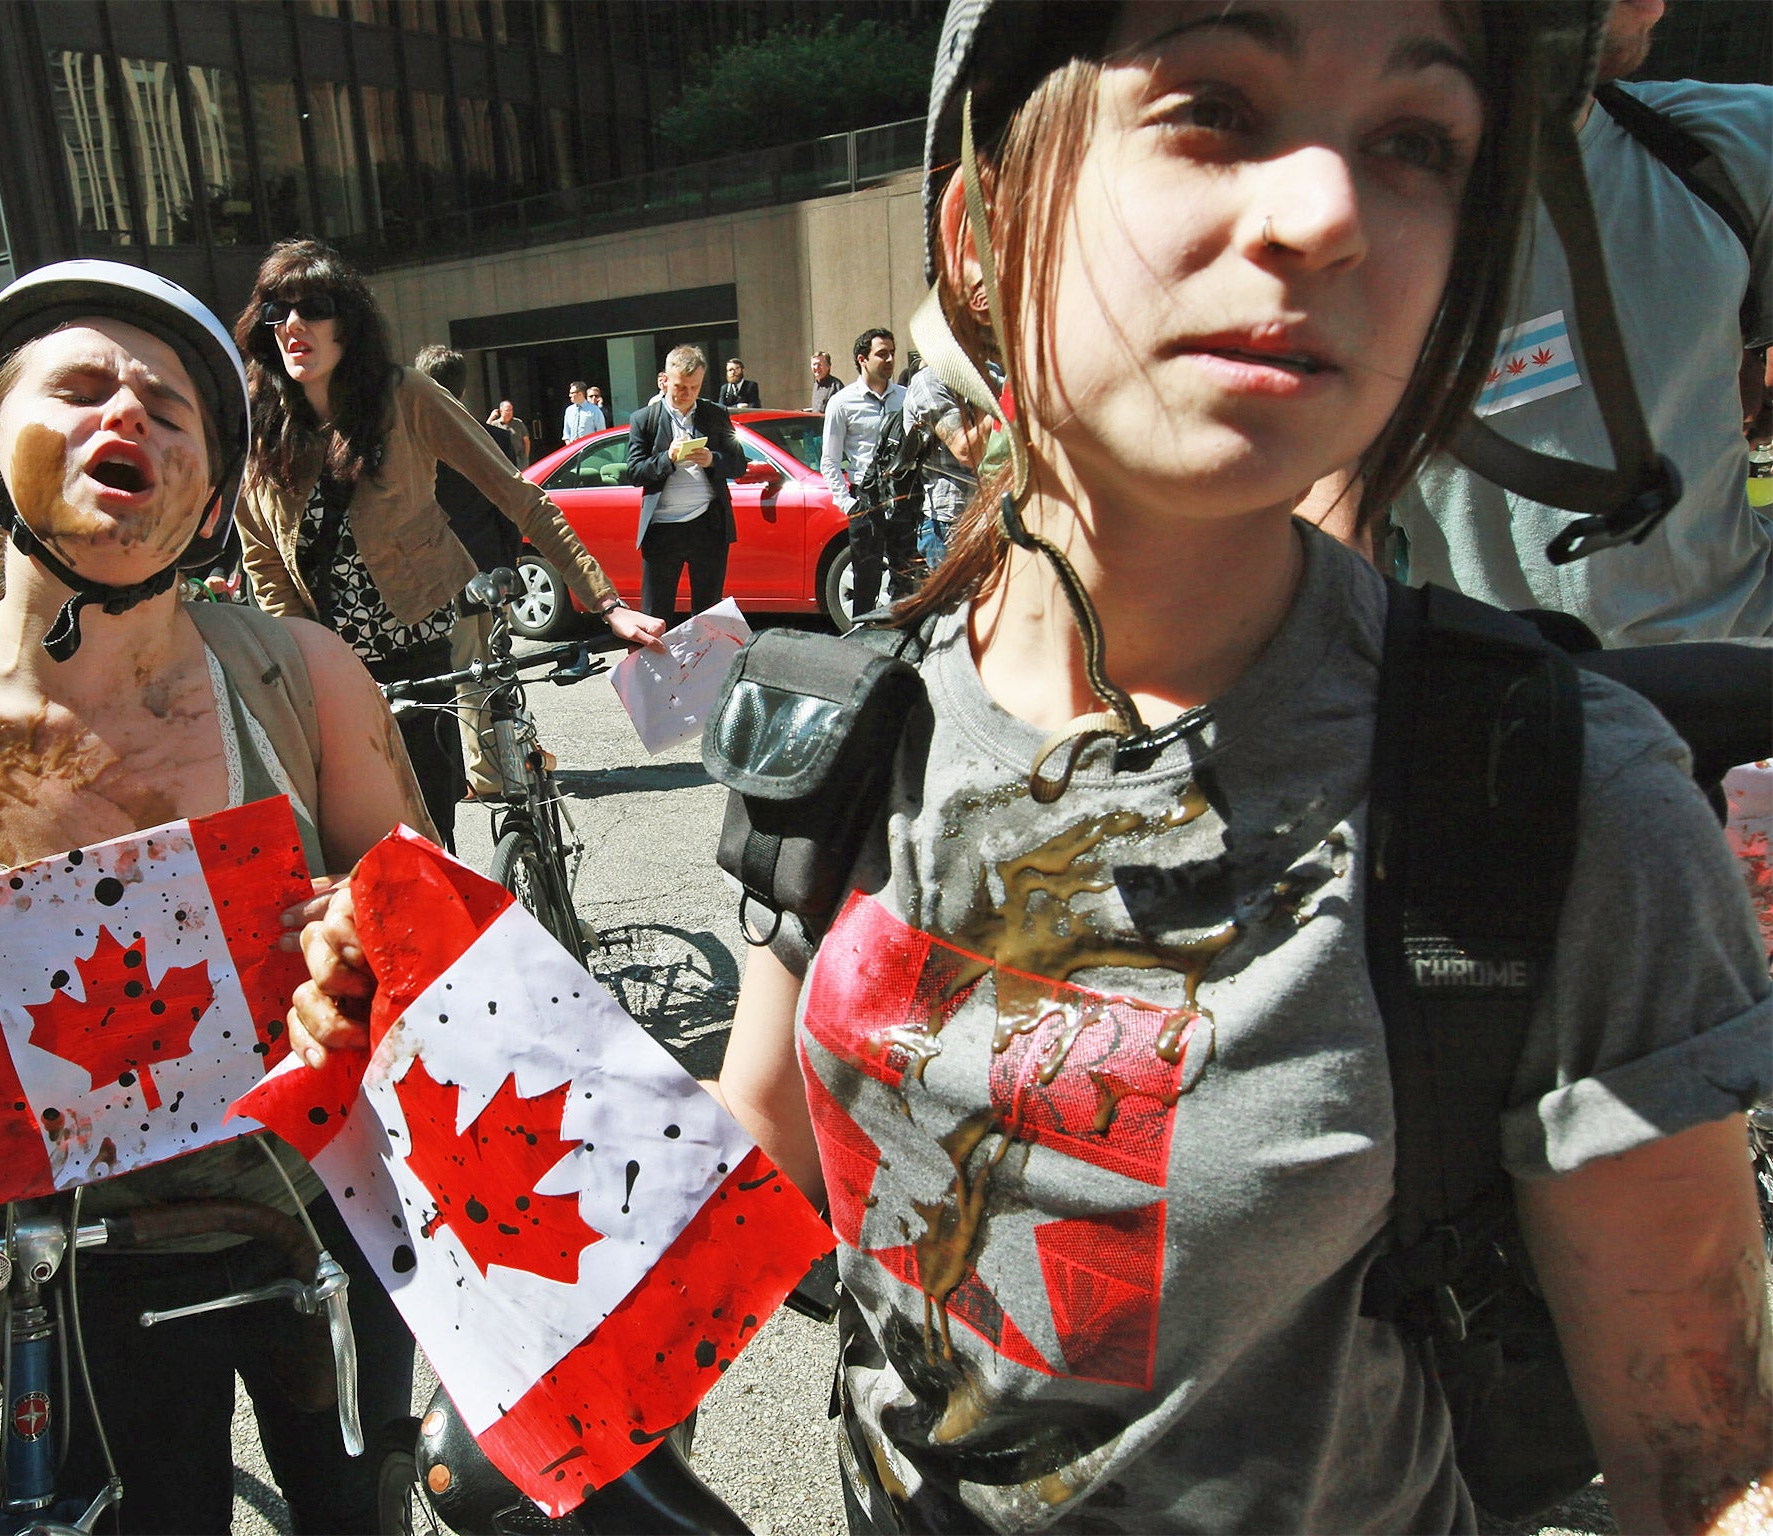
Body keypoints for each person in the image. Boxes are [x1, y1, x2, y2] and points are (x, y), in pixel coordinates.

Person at [704, 3, 1758, 1532]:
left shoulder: (1555, 796)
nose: (1332, 211)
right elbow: (765, 1172)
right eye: (1216, 104)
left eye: (1416, 143)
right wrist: (413, 1059)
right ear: (982, 228)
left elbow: (1706, 1469)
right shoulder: (842, 733)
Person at [0, 259, 426, 1534]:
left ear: (214, 498)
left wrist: (363, 924)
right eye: (77, 389)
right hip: (46, 1275)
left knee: (364, 1515)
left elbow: (420, 907)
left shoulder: (308, 679)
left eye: (170, 410)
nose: (128, 417)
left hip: (318, 1220)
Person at [232, 241, 663, 848]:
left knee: (430, 835)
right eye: (278, 310)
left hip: (425, 645)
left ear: (348, 321)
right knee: (356, 844)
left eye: (314, 307)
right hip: (331, 669)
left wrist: (606, 602)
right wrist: (308, 663)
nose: (293, 325)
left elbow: (519, 496)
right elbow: (265, 564)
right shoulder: (259, 427)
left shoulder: (403, 395)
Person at [1380, 0, 1773, 645]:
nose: (1655, 6)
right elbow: (1315, 519)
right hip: (1502, 698)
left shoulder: (1724, 145)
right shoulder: (1348, 218)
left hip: (1740, 677)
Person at [416, 343, 526, 803]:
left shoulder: (417, 446)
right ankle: (508, 761)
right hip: (492, 571)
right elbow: (511, 512)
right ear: (463, 386)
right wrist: (510, 563)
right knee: (497, 671)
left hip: (446, 576)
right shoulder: (495, 437)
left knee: (466, 676)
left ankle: (483, 775)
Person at [624, 345, 748, 622]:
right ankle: (657, 665)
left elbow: (739, 464)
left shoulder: (714, 415)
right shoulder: (645, 419)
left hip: (708, 526)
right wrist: (667, 458)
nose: (687, 394)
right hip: (662, 529)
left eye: (695, 387)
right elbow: (634, 472)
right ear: (665, 380)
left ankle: (702, 666)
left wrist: (712, 459)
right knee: (656, 613)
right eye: (681, 386)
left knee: (708, 612)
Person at [821, 328, 907, 617]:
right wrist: (849, 505)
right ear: (862, 359)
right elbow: (829, 461)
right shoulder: (842, 402)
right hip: (865, 501)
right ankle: (862, 647)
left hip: (903, 497)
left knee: (905, 579)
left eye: (892, 353)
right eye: (882, 353)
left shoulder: (906, 399)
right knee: (866, 582)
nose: (890, 359)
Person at [900, 363, 983, 570]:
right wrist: (1000, 407)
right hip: (948, 522)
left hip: (988, 516)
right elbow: (964, 450)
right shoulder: (929, 382)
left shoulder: (987, 374)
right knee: (955, 601)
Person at [486, 398, 532, 465]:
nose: (510, 412)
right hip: (503, 460)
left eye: (511, 410)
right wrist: (491, 417)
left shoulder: (518, 423)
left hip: (519, 459)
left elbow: (526, 441)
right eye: (507, 410)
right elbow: (485, 432)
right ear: (501, 411)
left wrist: (526, 457)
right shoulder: (495, 424)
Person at [562, 379, 605, 445]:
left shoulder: (594, 410)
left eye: (572, 393)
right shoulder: (569, 410)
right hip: (573, 450)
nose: (569, 395)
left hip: (590, 449)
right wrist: (569, 445)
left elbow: (601, 432)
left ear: (580, 394)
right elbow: (566, 433)